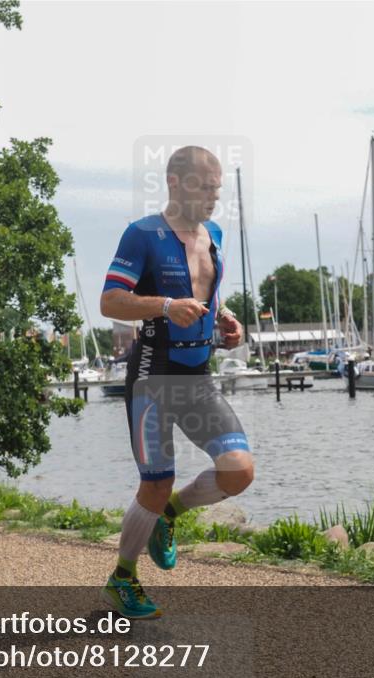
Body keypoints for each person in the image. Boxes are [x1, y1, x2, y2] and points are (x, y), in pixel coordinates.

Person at [98, 146, 255, 618]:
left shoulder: (216, 233)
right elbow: (110, 301)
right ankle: (122, 579)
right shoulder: (142, 235)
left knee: (238, 471)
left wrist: (228, 321)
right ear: (174, 182)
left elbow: (208, 291)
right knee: (155, 483)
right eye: (204, 187)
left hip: (198, 373)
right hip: (153, 376)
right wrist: (165, 307)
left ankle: (170, 517)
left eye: (217, 188)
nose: (213, 196)